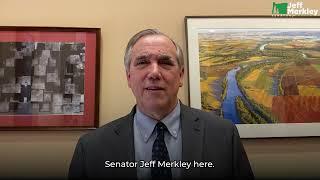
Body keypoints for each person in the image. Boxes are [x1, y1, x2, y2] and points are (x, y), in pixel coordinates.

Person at [68, 29, 254, 179]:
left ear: (180, 75)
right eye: (142, 62)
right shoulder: (91, 148)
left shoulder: (223, 135)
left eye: (165, 63)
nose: (154, 73)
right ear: (129, 77)